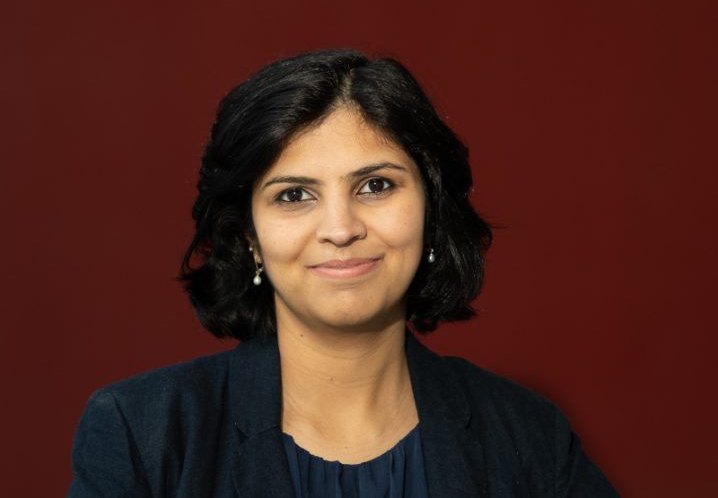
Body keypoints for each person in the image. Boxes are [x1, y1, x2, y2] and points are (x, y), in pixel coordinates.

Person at [68, 48, 618, 497]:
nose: (340, 227)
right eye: (294, 195)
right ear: (248, 238)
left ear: (431, 210)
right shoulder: (144, 432)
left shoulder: (528, 435)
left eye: (376, 186)